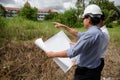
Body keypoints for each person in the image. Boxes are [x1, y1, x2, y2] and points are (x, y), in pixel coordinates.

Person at [46, 4, 106, 80]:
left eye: (84, 18)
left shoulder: (91, 34)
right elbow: (78, 34)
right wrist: (64, 27)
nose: (83, 20)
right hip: (93, 71)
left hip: (85, 74)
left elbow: (73, 52)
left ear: (89, 19)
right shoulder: (98, 32)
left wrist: (53, 54)